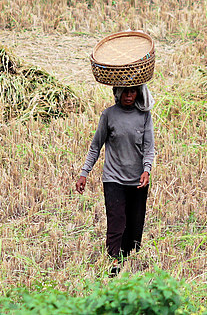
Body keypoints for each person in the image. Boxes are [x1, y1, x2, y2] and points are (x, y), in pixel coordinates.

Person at [75, 84, 155, 276]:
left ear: (138, 93)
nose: (129, 95)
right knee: (116, 220)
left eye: (133, 91)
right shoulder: (108, 115)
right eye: (125, 91)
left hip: (137, 179)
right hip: (113, 178)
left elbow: (149, 147)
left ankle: (129, 258)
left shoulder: (144, 116)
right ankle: (115, 261)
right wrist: (84, 172)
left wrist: (147, 170)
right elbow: (96, 146)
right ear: (118, 93)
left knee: (135, 223)